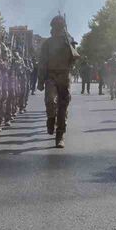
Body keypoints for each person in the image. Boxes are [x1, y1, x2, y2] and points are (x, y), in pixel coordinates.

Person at [37, 15, 79, 148]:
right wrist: (40, 80)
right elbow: (42, 63)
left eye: (60, 27)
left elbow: (74, 58)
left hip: (64, 76)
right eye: (56, 27)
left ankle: (60, 136)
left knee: (63, 107)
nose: (57, 29)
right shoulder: (47, 44)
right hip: (51, 76)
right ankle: (50, 118)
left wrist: (69, 43)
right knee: (50, 101)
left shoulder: (69, 40)